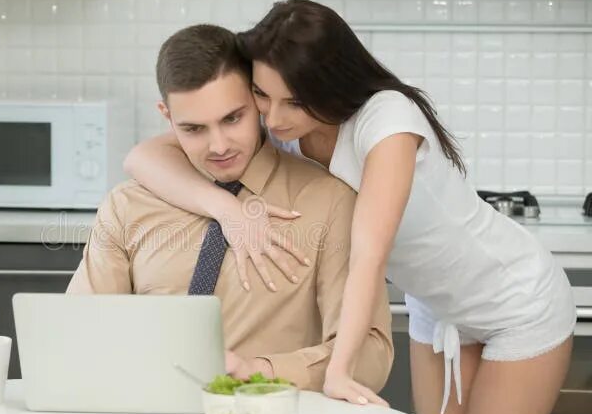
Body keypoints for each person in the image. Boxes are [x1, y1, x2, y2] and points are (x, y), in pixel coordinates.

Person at [122, 0, 576, 414]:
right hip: (439, 309)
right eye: (262, 96)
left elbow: (368, 256)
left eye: (292, 101)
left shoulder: (388, 123)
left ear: (329, 85)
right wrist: (226, 209)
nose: (272, 119)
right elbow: (143, 158)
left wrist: (338, 373)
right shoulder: (291, 127)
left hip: (515, 301)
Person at [67, 23, 393, 393]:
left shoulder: (328, 203)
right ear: (167, 116)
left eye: (232, 118)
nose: (219, 145)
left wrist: (261, 372)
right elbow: (79, 334)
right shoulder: (128, 206)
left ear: (258, 102)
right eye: (193, 129)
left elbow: (372, 356)